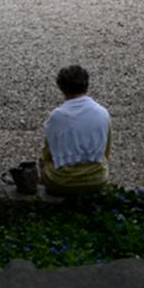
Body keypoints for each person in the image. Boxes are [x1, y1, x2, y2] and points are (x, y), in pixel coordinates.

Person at [40, 64, 111, 196]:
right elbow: (106, 151)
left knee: (42, 164)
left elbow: (48, 153)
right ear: (86, 85)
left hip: (62, 182)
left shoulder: (57, 117)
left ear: (62, 89)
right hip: (97, 180)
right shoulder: (102, 113)